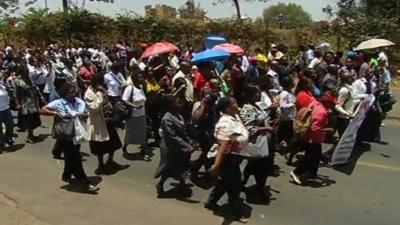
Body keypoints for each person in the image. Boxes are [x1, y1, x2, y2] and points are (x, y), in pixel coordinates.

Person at [41, 83, 99, 193]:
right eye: (71, 93)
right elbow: (43, 110)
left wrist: (84, 116)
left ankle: (66, 175)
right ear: (65, 94)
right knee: (76, 158)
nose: (74, 94)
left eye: (75, 92)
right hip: (65, 135)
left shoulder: (79, 102)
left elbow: (86, 113)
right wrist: (54, 113)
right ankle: (85, 182)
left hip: (77, 134)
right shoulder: (59, 103)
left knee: (71, 156)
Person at [205, 96, 249, 221]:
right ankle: (234, 212)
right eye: (234, 103)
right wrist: (217, 165)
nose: (237, 104)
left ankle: (211, 201)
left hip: (235, 156)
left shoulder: (235, 116)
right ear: (227, 108)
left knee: (225, 182)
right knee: (235, 184)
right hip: (228, 158)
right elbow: (223, 146)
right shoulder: (225, 122)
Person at [85, 74, 126, 175]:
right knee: (99, 145)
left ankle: (110, 160)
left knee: (113, 143)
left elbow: (107, 102)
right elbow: (96, 107)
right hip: (97, 123)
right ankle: (101, 164)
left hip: (107, 120)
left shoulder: (102, 90)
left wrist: (104, 94)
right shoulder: (89, 94)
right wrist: (100, 93)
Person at [155, 95, 193, 195]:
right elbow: (172, 136)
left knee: (181, 166)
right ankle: (161, 184)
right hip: (171, 147)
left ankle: (182, 184)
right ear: (170, 105)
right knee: (170, 167)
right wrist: (186, 146)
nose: (180, 103)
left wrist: (188, 140)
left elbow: (182, 129)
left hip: (180, 146)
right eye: (177, 102)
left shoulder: (177, 114)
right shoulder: (166, 119)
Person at [240, 85, 273, 199]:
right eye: (257, 93)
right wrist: (265, 129)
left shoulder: (256, 106)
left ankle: (241, 183)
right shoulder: (248, 109)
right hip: (255, 143)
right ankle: (260, 188)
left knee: (253, 165)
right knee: (260, 166)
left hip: (262, 141)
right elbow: (249, 128)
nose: (260, 95)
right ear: (250, 95)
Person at [290, 100, 329, 185]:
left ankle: (312, 175)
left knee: (315, 158)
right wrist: (326, 130)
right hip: (313, 139)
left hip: (307, 136)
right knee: (310, 158)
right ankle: (297, 172)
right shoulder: (322, 112)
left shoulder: (314, 104)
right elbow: (315, 128)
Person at [122, 71, 150, 161]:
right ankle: (125, 147)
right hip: (133, 115)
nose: (141, 78)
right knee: (130, 134)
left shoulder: (141, 87)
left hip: (142, 114)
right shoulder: (130, 88)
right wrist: (134, 106)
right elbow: (124, 99)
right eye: (139, 77)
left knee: (143, 134)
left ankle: (144, 151)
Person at [15, 65, 43, 143]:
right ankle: (29, 137)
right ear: (22, 72)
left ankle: (32, 135)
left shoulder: (29, 79)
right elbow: (16, 93)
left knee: (35, 120)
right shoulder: (18, 81)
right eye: (25, 72)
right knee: (29, 121)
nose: (27, 73)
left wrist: (40, 97)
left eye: (27, 71)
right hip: (26, 103)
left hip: (33, 102)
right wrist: (18, 103)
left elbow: (35, 88)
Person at [335, 71, 356, 138]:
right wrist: (347, 114)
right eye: (351, 77)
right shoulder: (344, 90)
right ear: (348, 79)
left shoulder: (350, 88)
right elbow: (337, 106)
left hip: (348, 118)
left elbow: (351, 101)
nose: (354, 78)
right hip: (343, 119)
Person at [0, 74, 14, 149]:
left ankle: (8, 138)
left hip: (6, 108)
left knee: (10, 125)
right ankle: (1, 142)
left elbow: (9, 92)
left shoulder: (2, 85)